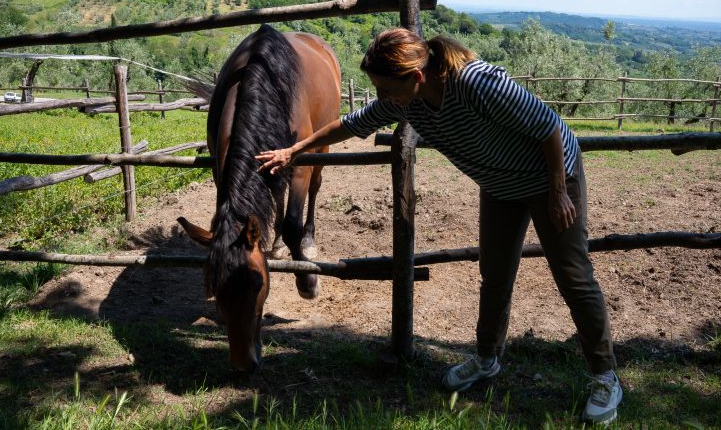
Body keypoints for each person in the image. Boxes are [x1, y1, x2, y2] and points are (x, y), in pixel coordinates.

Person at [256, 28, 622, 425]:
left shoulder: (477, 83)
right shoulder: (406, 102)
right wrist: (295, 149)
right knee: (495, 275)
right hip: (500, 185)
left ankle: (605, 376)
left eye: (385, 88)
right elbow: (352, 123)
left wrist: (558, 191)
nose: (381, 97)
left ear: (416, 77)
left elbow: (548, 126)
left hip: (551, 176)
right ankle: (487, 359)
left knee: (573, 276)